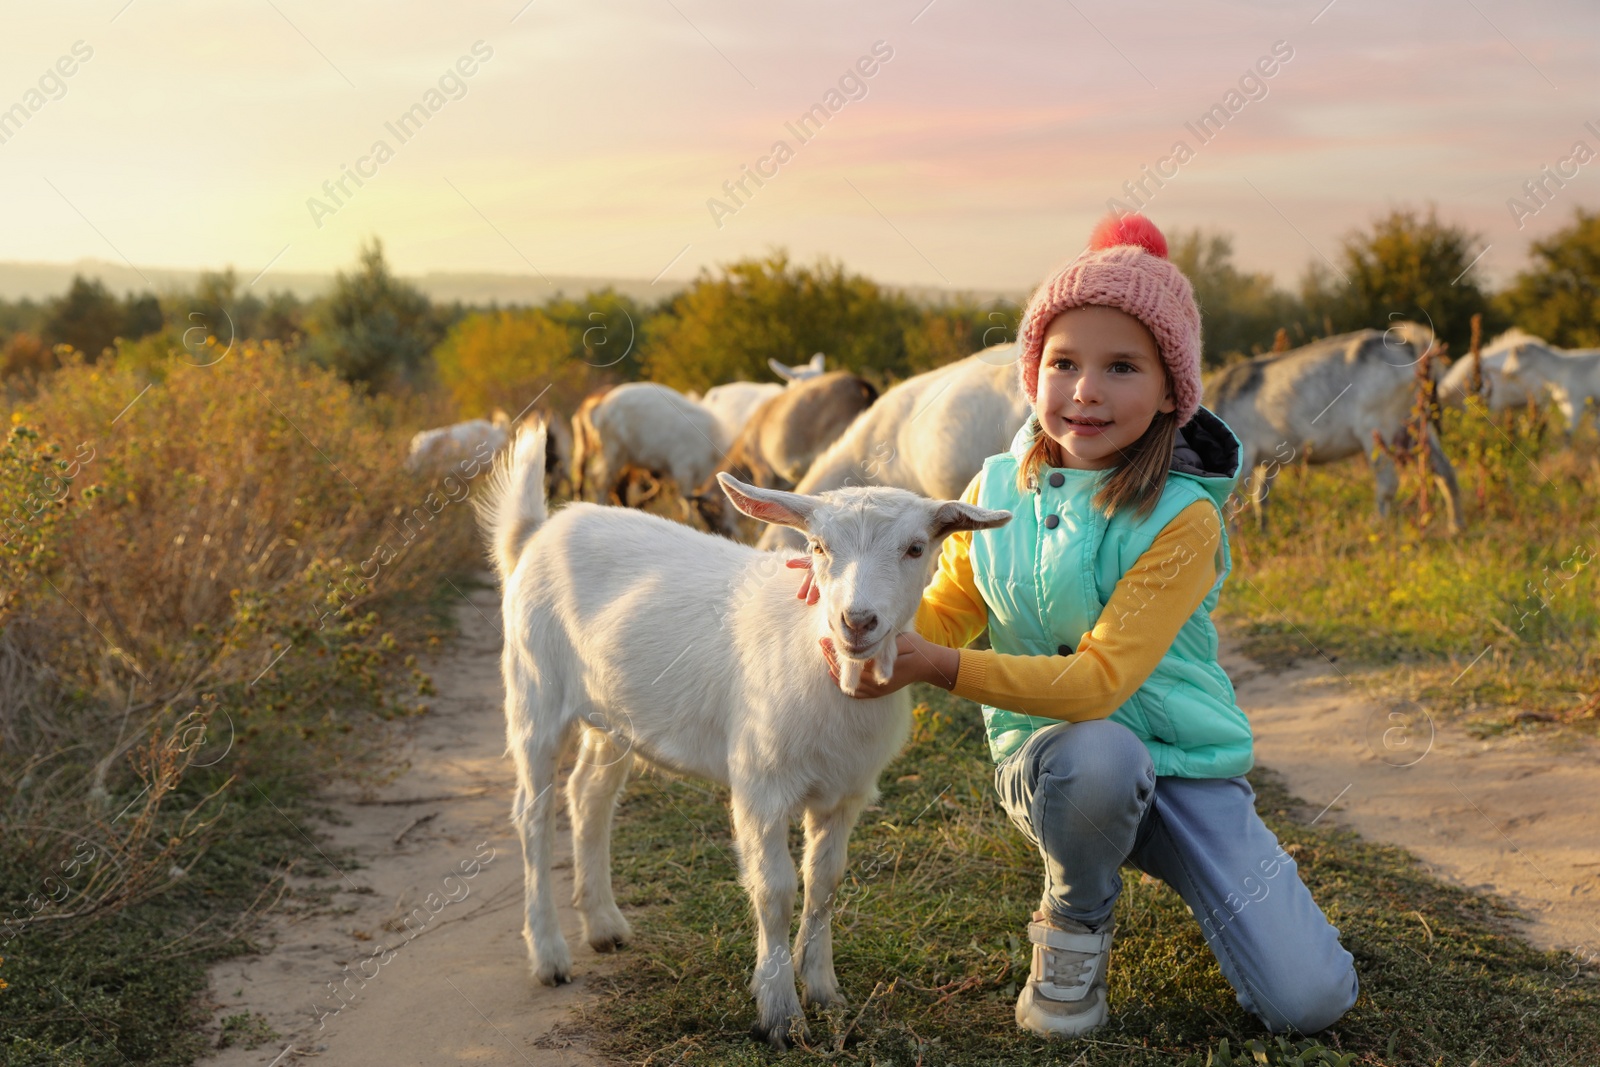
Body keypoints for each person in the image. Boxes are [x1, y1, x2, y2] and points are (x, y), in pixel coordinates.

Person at [793, 212, 1360, 1039]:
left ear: (1173, 390)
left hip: (1188, 769)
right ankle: (1076, 917)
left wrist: (940, 667)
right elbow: (950, 602)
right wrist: (861, 583)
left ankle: (1267, 906)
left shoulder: (1183, 518)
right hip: (1060, 766)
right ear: (1034, 373)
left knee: (1312, 1000)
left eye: (1121, 366)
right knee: (1100, 752)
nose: (1085, 390)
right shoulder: (994, 487)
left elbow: (1099, 682)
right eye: (1063, 363)